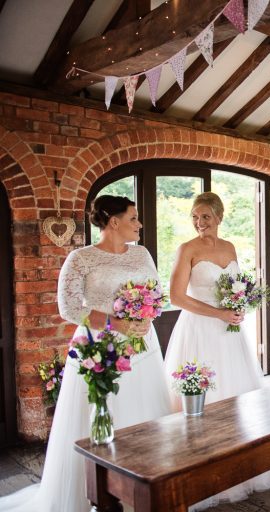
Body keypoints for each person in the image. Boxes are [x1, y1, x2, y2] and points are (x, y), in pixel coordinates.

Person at [0, 195, 172, 512]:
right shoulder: (81, 258)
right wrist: (115, 323)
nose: (139, 224)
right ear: (113, 222)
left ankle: (149, 491)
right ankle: (101, 494)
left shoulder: (142, 254)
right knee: (104, 416)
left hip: (143, 347)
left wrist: (146, 317)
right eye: (133, 218)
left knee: (146, 414)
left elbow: (157, 293)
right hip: (100, 347)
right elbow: (68, 308)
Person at [163, 192, 270, 509]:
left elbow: (235, 287)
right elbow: (176, 297)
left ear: (219, 217)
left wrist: (238, 305)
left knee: (238, 397)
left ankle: (238, 465)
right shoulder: (187, 249)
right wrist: (218, 313)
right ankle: (200, 471)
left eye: (205, 216)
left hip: (230, 333)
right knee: (205, 401)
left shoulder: (230, 247)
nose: (199, 222)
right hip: (199, 330)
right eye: (194, 217)